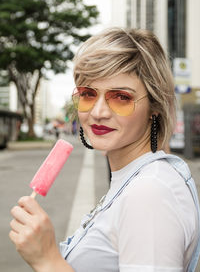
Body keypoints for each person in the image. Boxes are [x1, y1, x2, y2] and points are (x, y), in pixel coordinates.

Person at [9, 27, 200, 272]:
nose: (98, 112)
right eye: (88, 94)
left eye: (121, 97)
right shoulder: (135, 179)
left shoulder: (150, 192)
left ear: (154, 106)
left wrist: (48, 260)